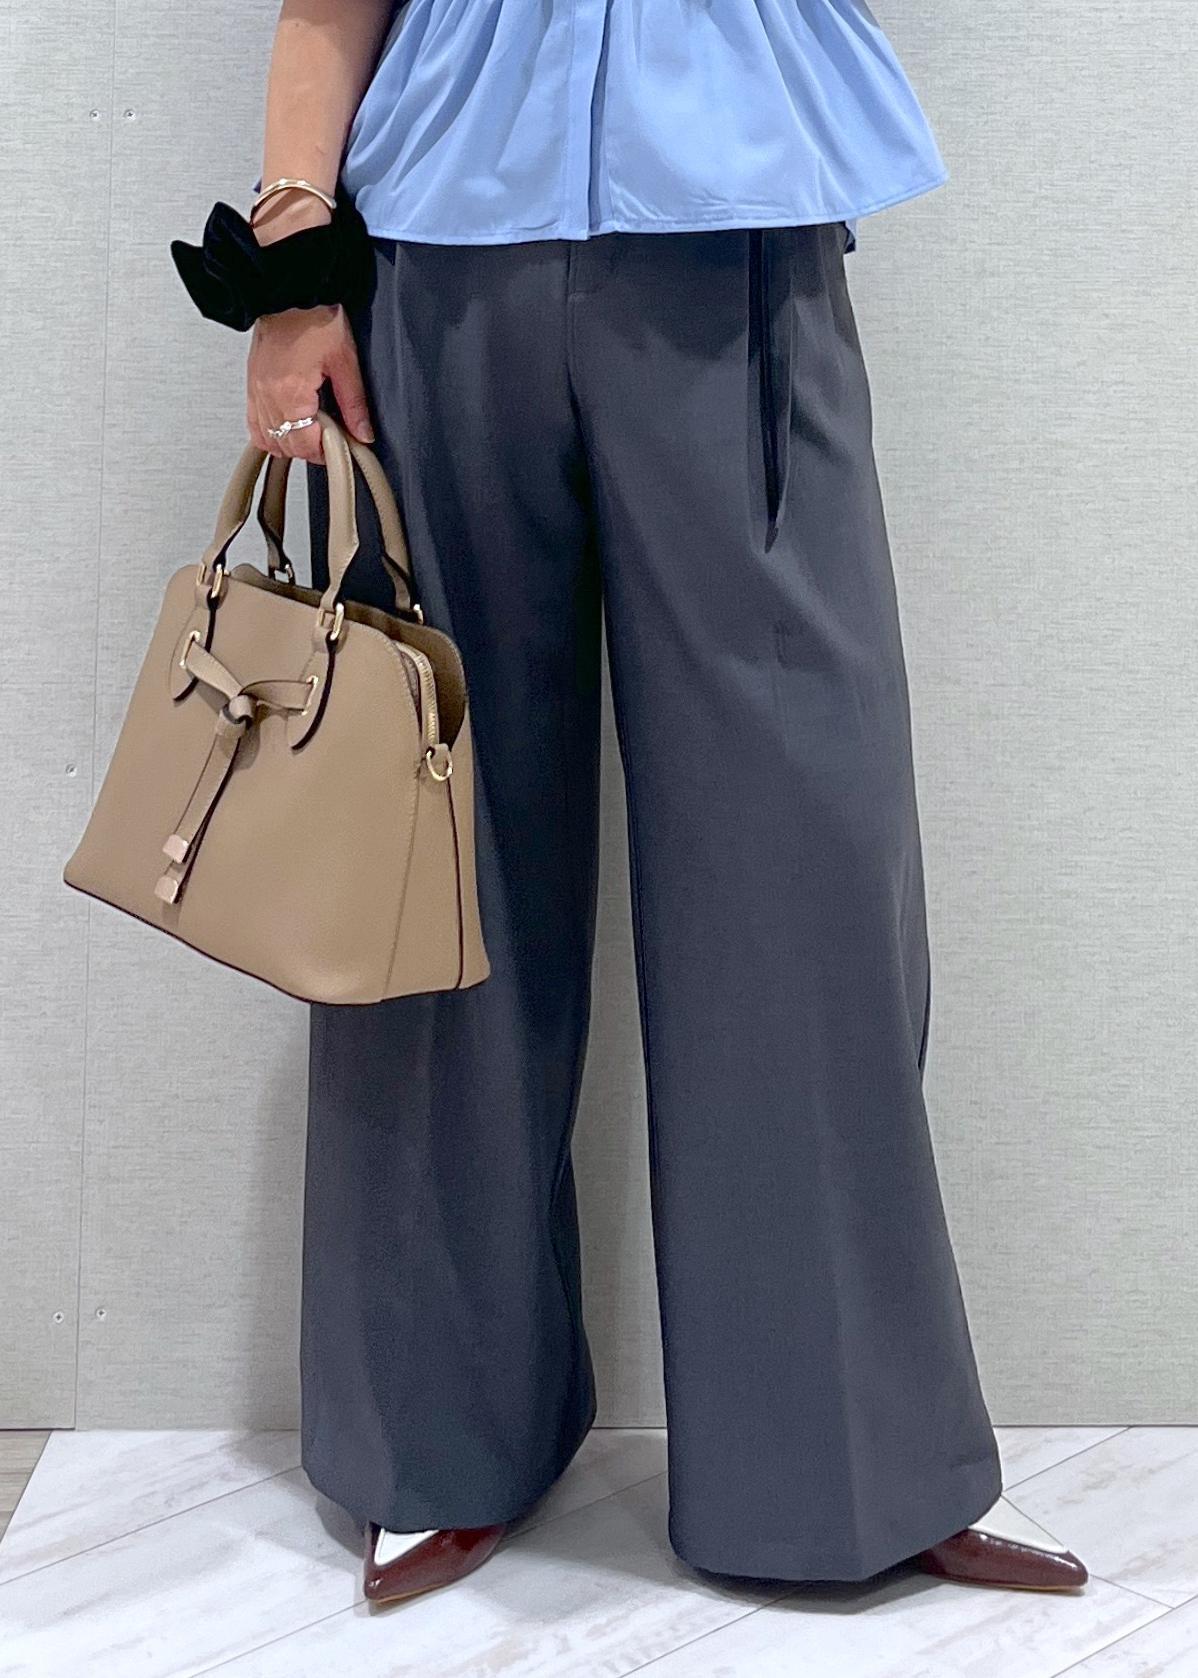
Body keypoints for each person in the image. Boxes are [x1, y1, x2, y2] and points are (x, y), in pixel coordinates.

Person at [184, 0, 1089, 1606]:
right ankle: (433, 1442)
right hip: (437, 268)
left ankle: (841, 1465)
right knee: (434, 856)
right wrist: (295, 269)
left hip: (736, 249)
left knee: (798, 862)